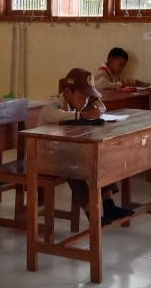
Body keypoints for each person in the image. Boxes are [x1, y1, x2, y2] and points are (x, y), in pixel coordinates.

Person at [37, 67, 134, 225]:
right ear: (67, 92)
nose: (85, 102)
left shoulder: (79, 104)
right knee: (74, 167)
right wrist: (83, 114)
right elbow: (53, 114)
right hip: (45, 158)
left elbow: (101, 108)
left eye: (88, 98)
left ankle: (108, 205)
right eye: (82, 97)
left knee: (100, 158)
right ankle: (92, 213)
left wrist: (93, 100)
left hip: (65, 155)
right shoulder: (55, 104)